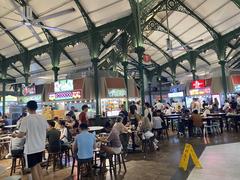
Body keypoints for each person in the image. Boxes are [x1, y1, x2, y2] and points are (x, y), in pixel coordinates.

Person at [12, 100, 48, 180]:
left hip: (31, 148)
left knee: (33, 168)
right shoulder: (42, 118)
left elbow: (21, 135)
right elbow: (46, 129)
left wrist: (15, 135)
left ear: (27, 108)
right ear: (36, 107)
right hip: (40, 146)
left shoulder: (26, 119)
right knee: (38, 165)